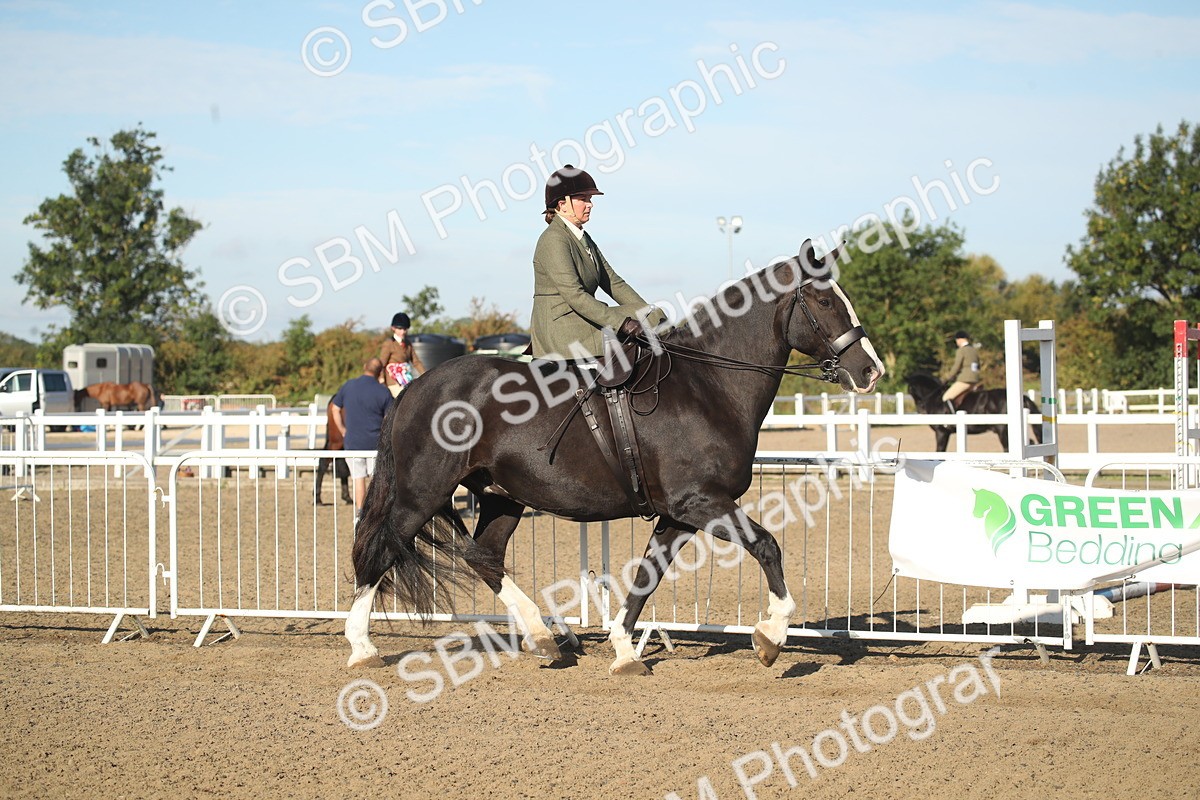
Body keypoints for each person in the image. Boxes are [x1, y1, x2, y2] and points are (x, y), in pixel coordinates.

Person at [530, 164, 666, 359]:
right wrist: (623, 324)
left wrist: (648, 313)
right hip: (563, 328)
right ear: (562, 204)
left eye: (590, 200)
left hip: (580, 318)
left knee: (652, 314)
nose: (590, 204)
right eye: (583, 199)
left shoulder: (582, 237)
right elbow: (575, 295)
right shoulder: (554, 239)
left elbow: (612, 281)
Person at [330, 357, 393, 521]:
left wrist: (343, 429)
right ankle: (376, 515)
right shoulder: (383, 391)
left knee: (358, 479)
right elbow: (389, 419)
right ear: (380, 373)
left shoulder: (348, 385)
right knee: (376, 482)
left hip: (353, 443)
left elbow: (335, 409)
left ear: (365, 367)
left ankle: (360, 513)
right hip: (375, 444)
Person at [380, 312, 426, 397]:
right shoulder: (389, 344)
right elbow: (382, 363)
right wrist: (382, 380)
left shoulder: (408, 343)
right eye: (400, 329)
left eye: (405, 329)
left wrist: (426, 375)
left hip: (406, 378)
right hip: (392, 381)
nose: (403, 332)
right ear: (393, 328)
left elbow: (416, 362)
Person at [942, 330, 981, 410]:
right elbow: (978, 365)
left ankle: (951, 419)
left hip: (964, 380)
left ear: (959, 339)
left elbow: (957, 366)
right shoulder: (974, 350)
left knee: (946, 398)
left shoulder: (961, 350)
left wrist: (948, 378)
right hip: (975, 380)